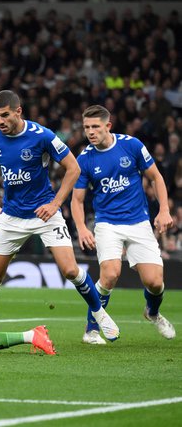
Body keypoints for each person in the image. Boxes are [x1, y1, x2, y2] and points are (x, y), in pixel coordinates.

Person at [0, 90, 120, 341]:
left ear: (18, 112)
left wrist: (55, 204)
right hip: (11, 216)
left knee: (70, 270)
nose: (0, 121)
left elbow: (73, 168)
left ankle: (99, 314)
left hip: (45, 214)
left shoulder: (42, 136)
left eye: (5, 115)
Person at [71, 105, 176, 344]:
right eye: (87, 127)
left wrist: (164, 210)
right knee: (109, 274)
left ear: (108, 126)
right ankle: (91, 330)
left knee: (155, 282)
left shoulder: (132, 145)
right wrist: (81, 227)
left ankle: (152, 313)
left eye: (95, 126)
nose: (90, 132)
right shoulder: (84, 159)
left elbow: (156, 177)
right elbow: (76, 200)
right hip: (107, 223)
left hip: (138, 222)